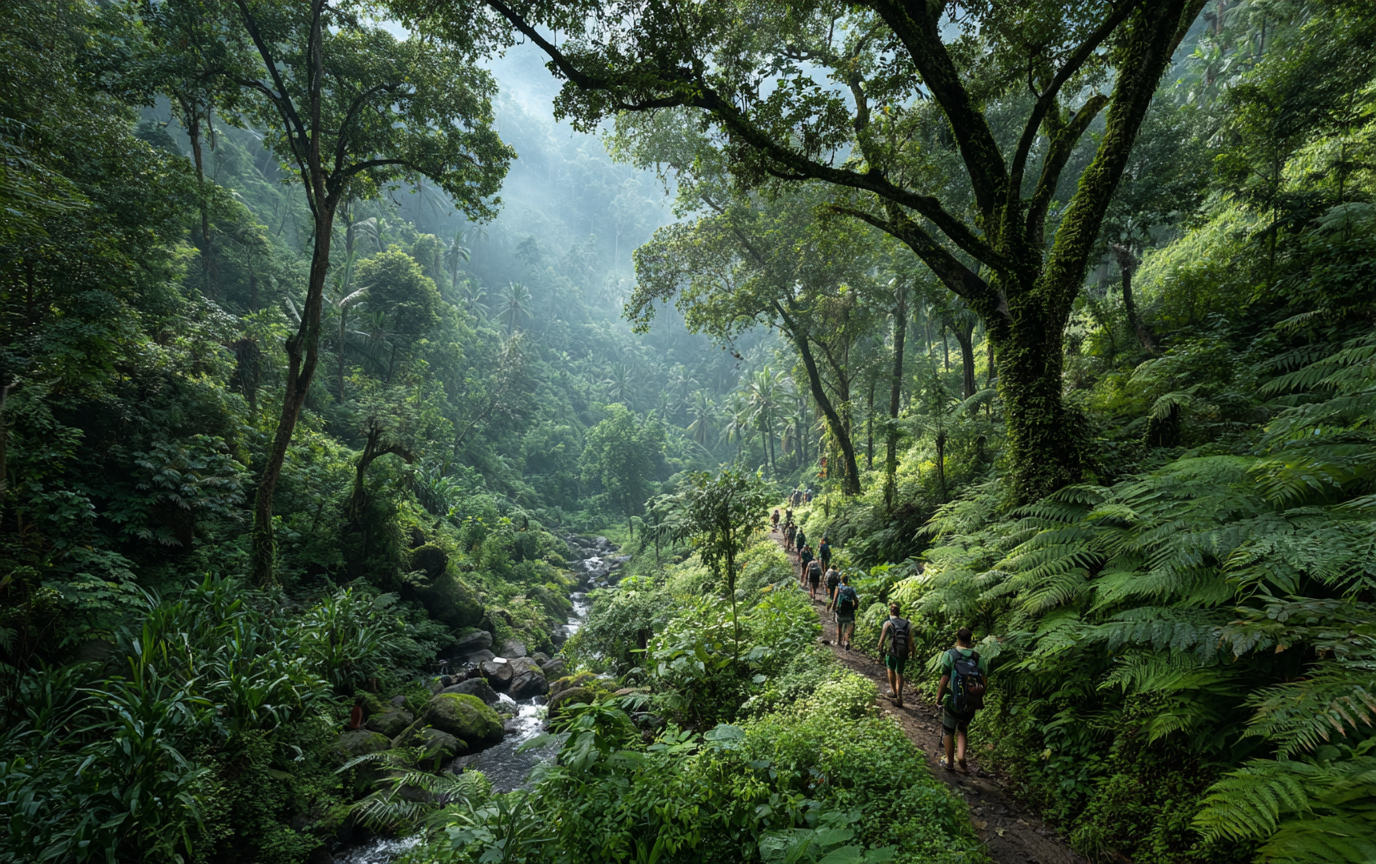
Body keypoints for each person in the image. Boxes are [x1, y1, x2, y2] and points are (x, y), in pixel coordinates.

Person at [936, 627, 987, 773]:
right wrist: (976, 699)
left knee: (948, 730)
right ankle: (962, 758)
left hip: (953, 701)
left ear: (957, 638)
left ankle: (949, 761)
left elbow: (944, 679)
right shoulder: (978, 658)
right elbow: (984, 682)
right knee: (963, 729)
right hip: (970, 703)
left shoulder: (950, 655)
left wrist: (939, 698)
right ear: (970, 640)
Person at [877, 602, 915, 707]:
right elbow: (910, 639)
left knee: (890, 669)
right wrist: (912, 649)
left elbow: (882, 638)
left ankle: (894, 692)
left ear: (890, 612)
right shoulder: (908, 623)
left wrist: (880, 647)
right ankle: (899, 696)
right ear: (899, 612)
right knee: (900, 673)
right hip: (902, 651)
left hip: (891, 651)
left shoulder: (888, 622)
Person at [829, 574, 859, 650]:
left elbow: (835, 599)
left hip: (840, 610)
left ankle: (839, 641)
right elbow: (856, 601)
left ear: (841, 580)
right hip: (849, 610)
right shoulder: (851, 589)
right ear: (847, 580)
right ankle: (846, 641)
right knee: (849, 625)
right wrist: (854, 608)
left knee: (839, 625)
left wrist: (833, 608)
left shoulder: (839, 588)